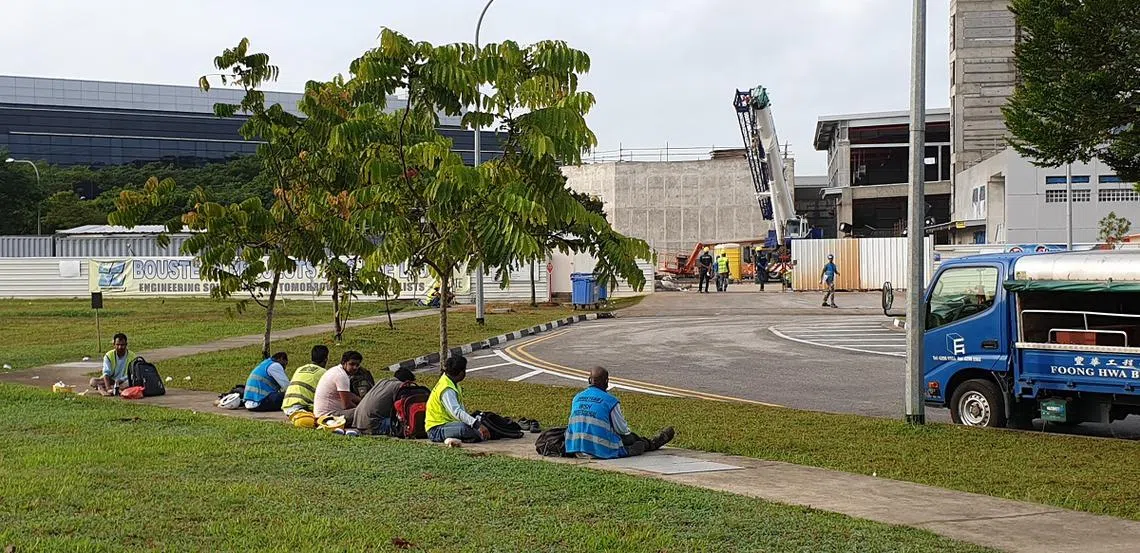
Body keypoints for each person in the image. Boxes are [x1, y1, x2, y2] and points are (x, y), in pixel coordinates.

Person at [565, 367, 674, 459]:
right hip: (599, 450)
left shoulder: (577, 398)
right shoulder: (610, 401)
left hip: (576, 448)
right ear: (607, 382)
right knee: (634, 440)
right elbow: (622, 430)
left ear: (589, 380)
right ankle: (652, 443)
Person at [426, 355, 490, 443]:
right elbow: (456, 412)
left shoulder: (452, 383)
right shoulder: (446, 388)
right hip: (437, 429)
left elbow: (461, 410)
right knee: (466, 428)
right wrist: (477, 424)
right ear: (461, 373)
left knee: (477, 422)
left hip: (450, 424)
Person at [353, 367, 417, 435]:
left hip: (358, 423)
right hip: (374, 425)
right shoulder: (399, 386)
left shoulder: (382, 381)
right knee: (408, 425)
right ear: (407, 381)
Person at [281, 345, 330, 417]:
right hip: (301, 408)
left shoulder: (300, 369)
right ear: (326, 359)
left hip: (286, 407)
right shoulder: (324, 373)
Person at [314, 350, 364, 420]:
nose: (355, 368)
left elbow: (348, 395)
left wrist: (362, 401)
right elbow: (347, 405)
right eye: (352, 364)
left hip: (321, 414)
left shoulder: (335, 370)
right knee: (365, 413)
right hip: (328, 417)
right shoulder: (342, 376)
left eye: (357, 365)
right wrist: (362, 408)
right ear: (344, 363)